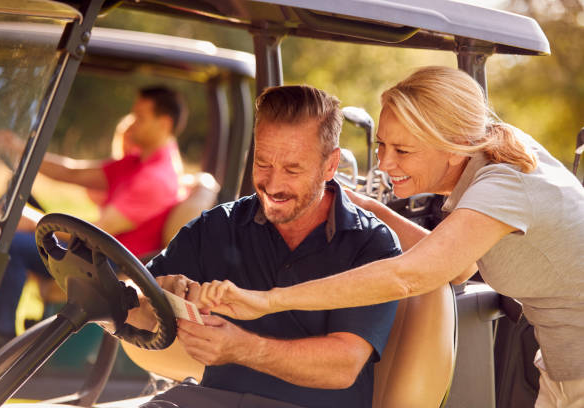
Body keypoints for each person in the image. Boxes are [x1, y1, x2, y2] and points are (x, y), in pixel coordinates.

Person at [197, 66, 584, 408]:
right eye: (382, 144)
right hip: (559, 370)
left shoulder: (504, 184)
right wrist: (372, 207)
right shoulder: (487, 150)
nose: (384, 163)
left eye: (403, 149)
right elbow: (461, 267)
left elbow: (408, 275)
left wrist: (268, 301)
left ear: (452, 146)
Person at [124, 85, 401, 408]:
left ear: (330, 165)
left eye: (292, 169)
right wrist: (157, 296)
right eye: (263, 163)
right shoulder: (217, 227)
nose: (272, 184)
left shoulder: (371, 245)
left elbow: (343, 365)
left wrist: (242, 348)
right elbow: (133, 298)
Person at [0, 85, 188, 359]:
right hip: (101, 254)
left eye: (140, 116)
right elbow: (70, 172)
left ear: (164, 123)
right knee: (15, 205)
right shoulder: (136, 164)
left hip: (112, 265)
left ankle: (1, 341)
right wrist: (20, 148)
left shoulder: (155, 178)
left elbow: (97, 232)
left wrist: (35, 221)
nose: (132, 123)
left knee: (12, 245)